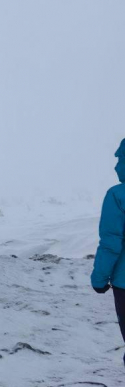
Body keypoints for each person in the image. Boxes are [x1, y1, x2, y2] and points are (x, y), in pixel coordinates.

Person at [91, 138, 125, 365]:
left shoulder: (117, 194)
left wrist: (99, 279)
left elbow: (111, 242)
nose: (115, 166)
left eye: (120, 159)